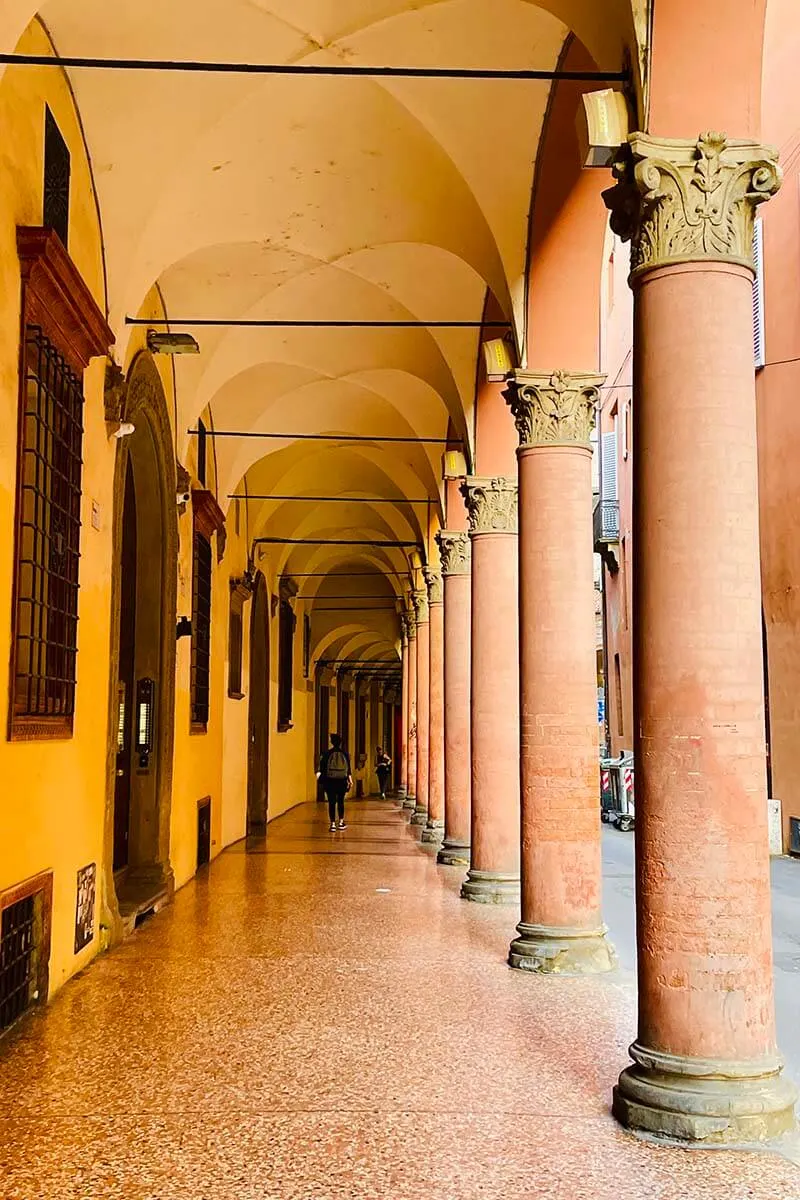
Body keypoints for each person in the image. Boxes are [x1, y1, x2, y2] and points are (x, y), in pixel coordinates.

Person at [317, 734, 352, 831]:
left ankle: (332, 824)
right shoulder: (345, 754)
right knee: (341, 801)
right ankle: (341, 822)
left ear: (332, 742)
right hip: (342, 781)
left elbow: (322, 768)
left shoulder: (327, 754)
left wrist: (321, 778)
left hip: (330, 781)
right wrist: (350, 780)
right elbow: (348, 769)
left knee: (331, 802)